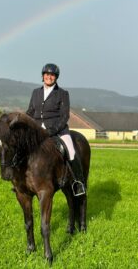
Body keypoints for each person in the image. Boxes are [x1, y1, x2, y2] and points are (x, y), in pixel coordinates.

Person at [26, 63, 85, 196]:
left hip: (58, 131)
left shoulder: (63, 94)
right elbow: (30, 111)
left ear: (56, 77)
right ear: (43, 76)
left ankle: (78, 183)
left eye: (52, 75)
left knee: (71, 151)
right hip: (36, 130)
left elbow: (65, 116)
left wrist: (51, 131)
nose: (49, 77)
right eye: (47, 74)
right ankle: (21, 181)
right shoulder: (36, 92)